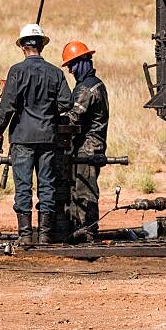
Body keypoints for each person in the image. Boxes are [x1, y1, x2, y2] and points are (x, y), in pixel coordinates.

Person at [0, 23, 73, 245]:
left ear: (22, 47)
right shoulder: (55, 73)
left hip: (22, 138)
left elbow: (7, 106)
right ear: (41, 46)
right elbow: (67, 102)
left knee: (23, 186)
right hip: (47, 138)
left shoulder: (17, 71)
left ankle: (26, 235)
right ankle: (45, 235)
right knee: (47, 185)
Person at [61, 40, 109, 241]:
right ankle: (81, 229)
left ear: (83, 61)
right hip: (89, 147)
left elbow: (73, 118)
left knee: (84, 191)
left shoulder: (87, 88)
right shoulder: (93, 84)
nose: (70, 71)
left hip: (87, 149)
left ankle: (87, 230)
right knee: (78, 188)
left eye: (72, 65)